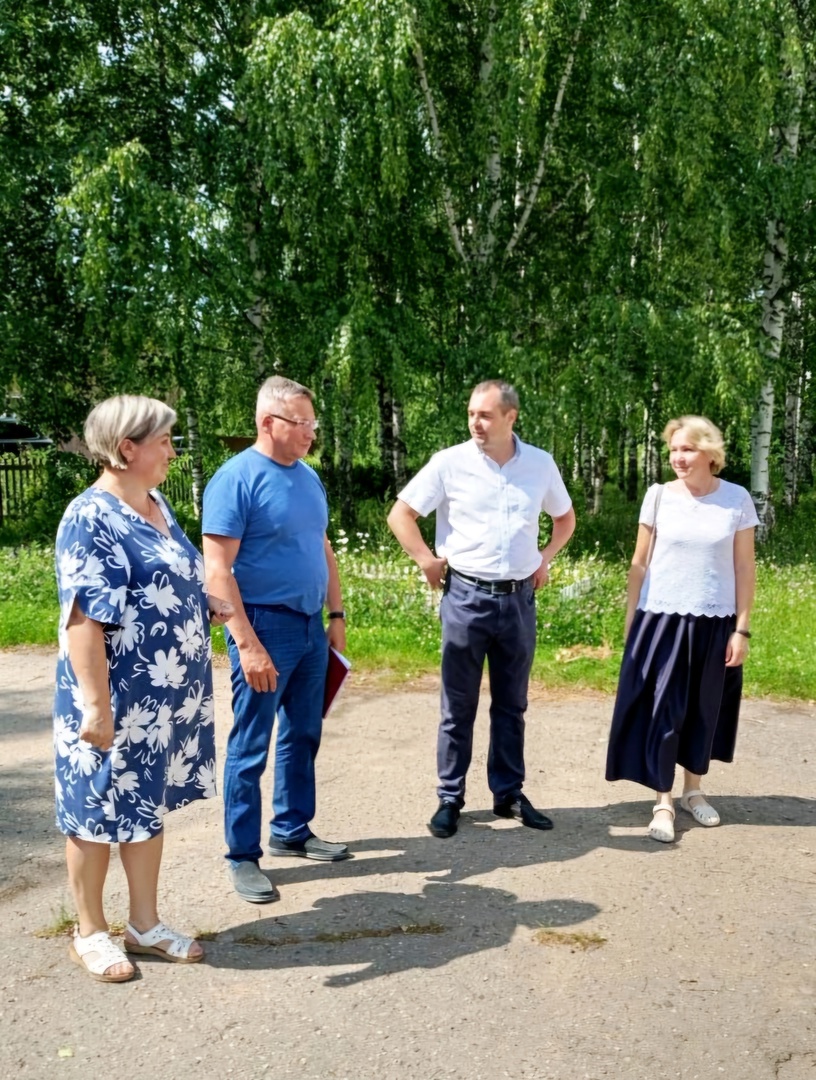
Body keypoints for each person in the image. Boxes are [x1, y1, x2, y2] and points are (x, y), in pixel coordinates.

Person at [54, 395, 225, 983]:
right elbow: (84, 620)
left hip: (162, 697)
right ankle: (90, 931)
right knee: (95, 809)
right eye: (164, 442)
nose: (173, 453)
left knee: (143, 806)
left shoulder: (156, 504)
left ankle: (144, 925)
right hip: (114, 695)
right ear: (128, 448)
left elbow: (159, 580)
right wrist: (96, 706)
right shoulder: (90, 516)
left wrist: (202, 602)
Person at [387, 379, 576, 839]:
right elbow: (401, 514)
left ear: (511, 417)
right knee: (458, 706)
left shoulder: (540, 464)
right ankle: (450, 798)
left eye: (485, 414)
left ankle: (508, 794)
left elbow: (565, 518)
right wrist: (426, 561)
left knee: (512, 705)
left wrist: (543, 559)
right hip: (466, 597)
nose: (475, 422)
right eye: (472, 413)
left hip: (518, 600)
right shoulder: (449, 464)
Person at [202, 376, 348, 905]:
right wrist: (245, 642)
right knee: (250, 744)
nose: (312, 432)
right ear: (269, 423)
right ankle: (243, 856)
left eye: (313, 423)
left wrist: (335, 613)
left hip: (310, 625)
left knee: (303, 733)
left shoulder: (308, 479)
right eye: (302, 423)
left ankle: (292, 830)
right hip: (263, 625)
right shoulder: (236, 479)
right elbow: (216, 569)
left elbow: (322, 547)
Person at [606, 416, 758, 843]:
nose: (678, 457)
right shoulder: (658, 497)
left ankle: (694, 791)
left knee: (704, 709)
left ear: (710, 453)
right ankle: (663, 801)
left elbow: (745, 566)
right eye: (673, 449)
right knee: (664, 710)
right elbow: (639, 564)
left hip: (715, 621)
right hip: (662, 619)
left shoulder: (736, 499)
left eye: (687, 449)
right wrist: (631, 621)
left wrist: (741, 629)